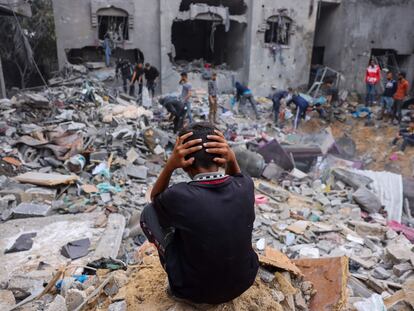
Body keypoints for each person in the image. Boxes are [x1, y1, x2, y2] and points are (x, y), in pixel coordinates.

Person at [140, 122, 259, 305]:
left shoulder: (179, 195)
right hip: (243, 282)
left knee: (148, 214)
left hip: (192, 291)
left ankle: (176, 269)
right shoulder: (246, 186)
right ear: (222, 156)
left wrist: (170, 166)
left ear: (185, 163)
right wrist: (232, 159)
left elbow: (155, 200)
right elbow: (237, 178)